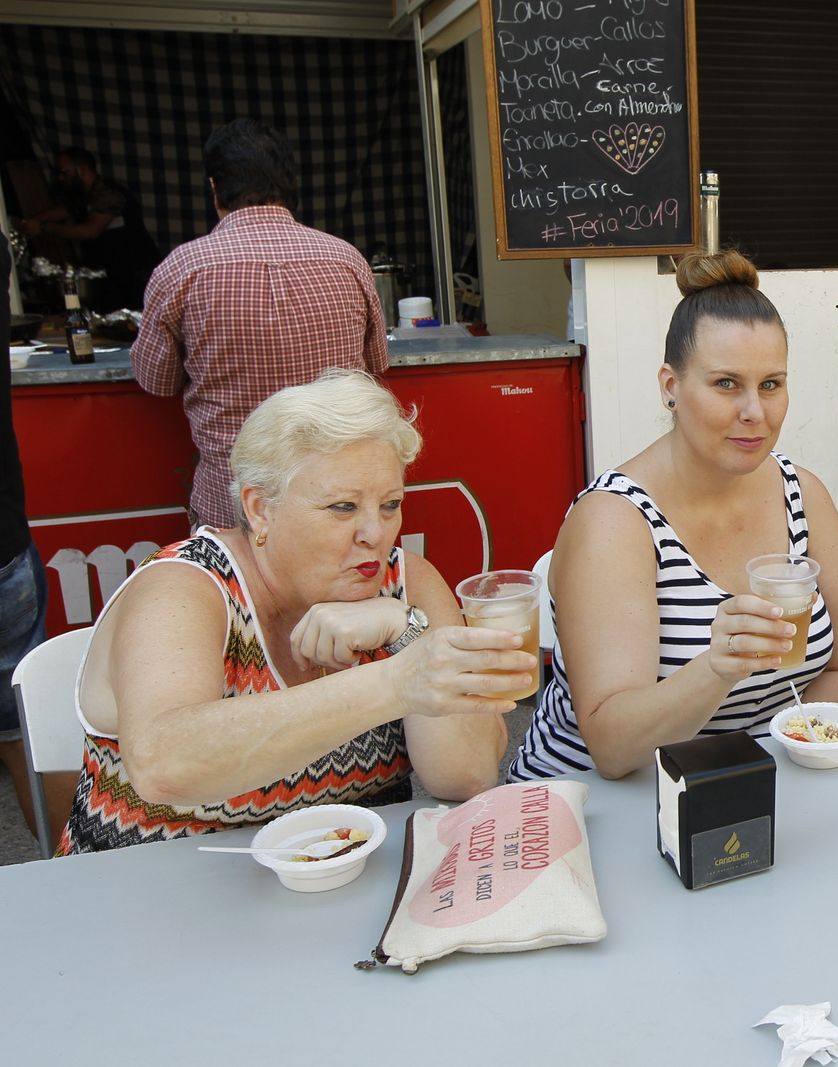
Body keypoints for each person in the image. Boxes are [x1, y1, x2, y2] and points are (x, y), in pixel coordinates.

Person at [60, 370, 532, 852]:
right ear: (260, 509)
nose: (376, 532)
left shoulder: (404, 583)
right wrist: (396, 683)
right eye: (342, 507)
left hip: (343, 890)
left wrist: (407, 634)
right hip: (144, 895)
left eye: (390, 504)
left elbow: (466, 775)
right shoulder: (184, 585)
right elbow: (165, 765)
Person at [509, 249, 838, 780]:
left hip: (738, 792)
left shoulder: (803, 494)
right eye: (726, 384)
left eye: (771, 384)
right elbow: (612, 748)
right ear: (671, 387)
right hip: (593, 806)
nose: (755, 412)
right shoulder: (615, 521)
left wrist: (788, 763)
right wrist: (718, 668)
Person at [131, 118, 388, 531]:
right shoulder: (347, 261)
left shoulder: (181, 271)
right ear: (289, 185)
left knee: (236, 596)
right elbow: (376, 363)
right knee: (342, 596)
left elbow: (154, 381)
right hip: (336, 499)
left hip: (234, 503)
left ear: (215, 188)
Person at [0, 241, 55, 845]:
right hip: (2, 542)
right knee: (20, 723)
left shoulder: (186, 267)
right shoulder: (343, 260)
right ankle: (55, 862)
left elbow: (155, 371)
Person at [17, 147, 161, 312]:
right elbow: (64, 210)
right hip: (113, 276)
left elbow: (89, 231)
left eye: (65, 172)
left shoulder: (109, 195)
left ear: (81, 169)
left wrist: (43, 227)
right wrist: (32, 221)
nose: (61, 178)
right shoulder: (85, 196)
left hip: (136, 275)